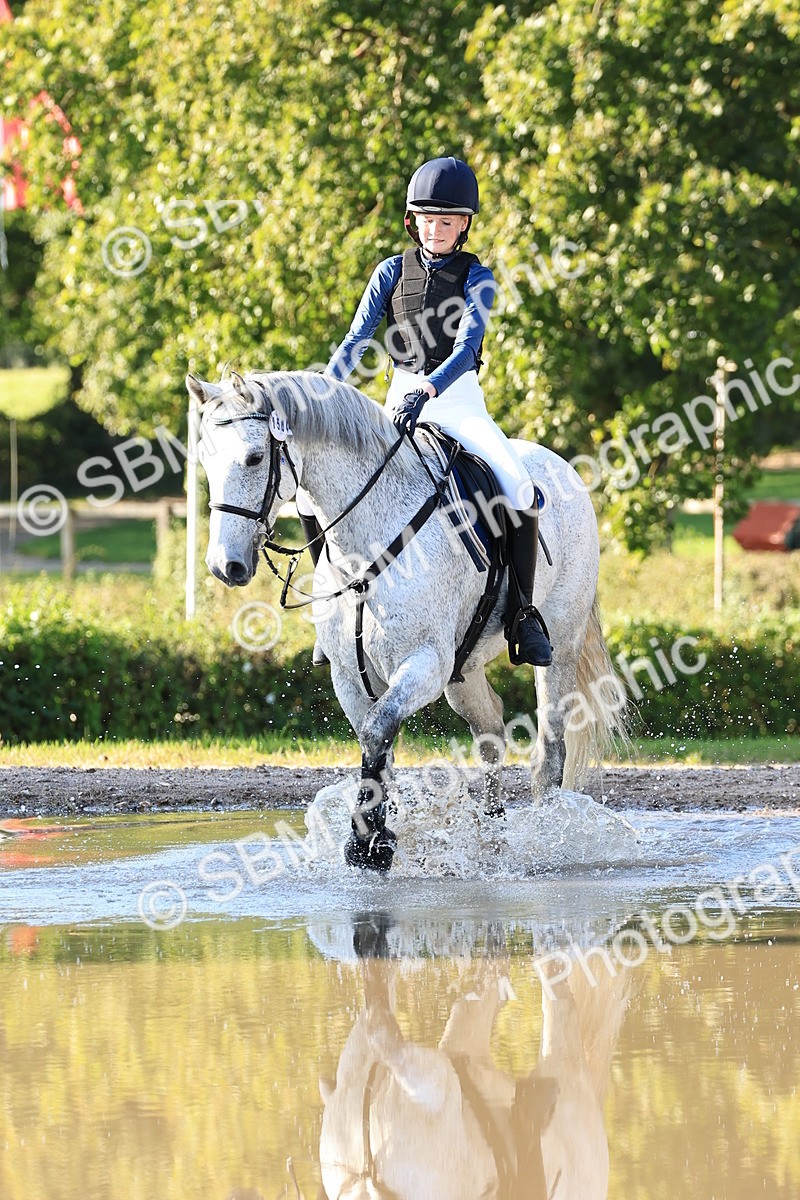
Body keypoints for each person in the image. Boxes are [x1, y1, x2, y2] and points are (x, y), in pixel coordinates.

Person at [298, 155, 552, 668]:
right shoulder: (390, 272)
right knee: (308, 493)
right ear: (413, 222)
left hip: (455, 400)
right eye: (428, 220)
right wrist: (322, 394)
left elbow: (465, 348)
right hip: (397, 399)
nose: (436, 230)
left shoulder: (478, 277)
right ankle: (331, 604)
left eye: (448, 221)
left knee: (520, 487)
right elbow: (356, 341)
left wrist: (429, 391)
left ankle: (523, 614)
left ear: (464, 225)